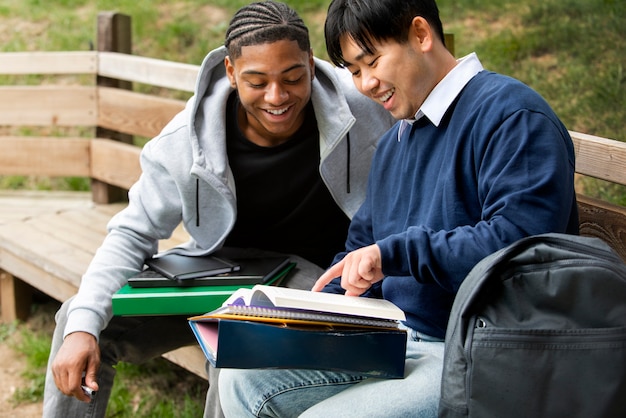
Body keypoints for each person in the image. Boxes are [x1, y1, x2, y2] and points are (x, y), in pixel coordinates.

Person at [218, 0, 580, 416]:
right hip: (402, 340)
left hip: (488, 350)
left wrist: (395, 255)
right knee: (245, 375)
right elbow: (362, 247)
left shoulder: (511, 114)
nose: (366, 84)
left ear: (421, 35)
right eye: (354, 71)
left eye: (371, 61)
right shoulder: (397, 141)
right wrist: (311, 317)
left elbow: (521, 245)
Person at [42, 1, 395, 417]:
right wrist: (84, 326)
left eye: (293, 77)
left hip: (312, 282)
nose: (277, 96)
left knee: (238, 343)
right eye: (257, 81)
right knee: (77, 319)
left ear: (311, 64)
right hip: (218, 273)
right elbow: (132, 234)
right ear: (230, 72)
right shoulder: (181, 142)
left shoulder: (363, 108)